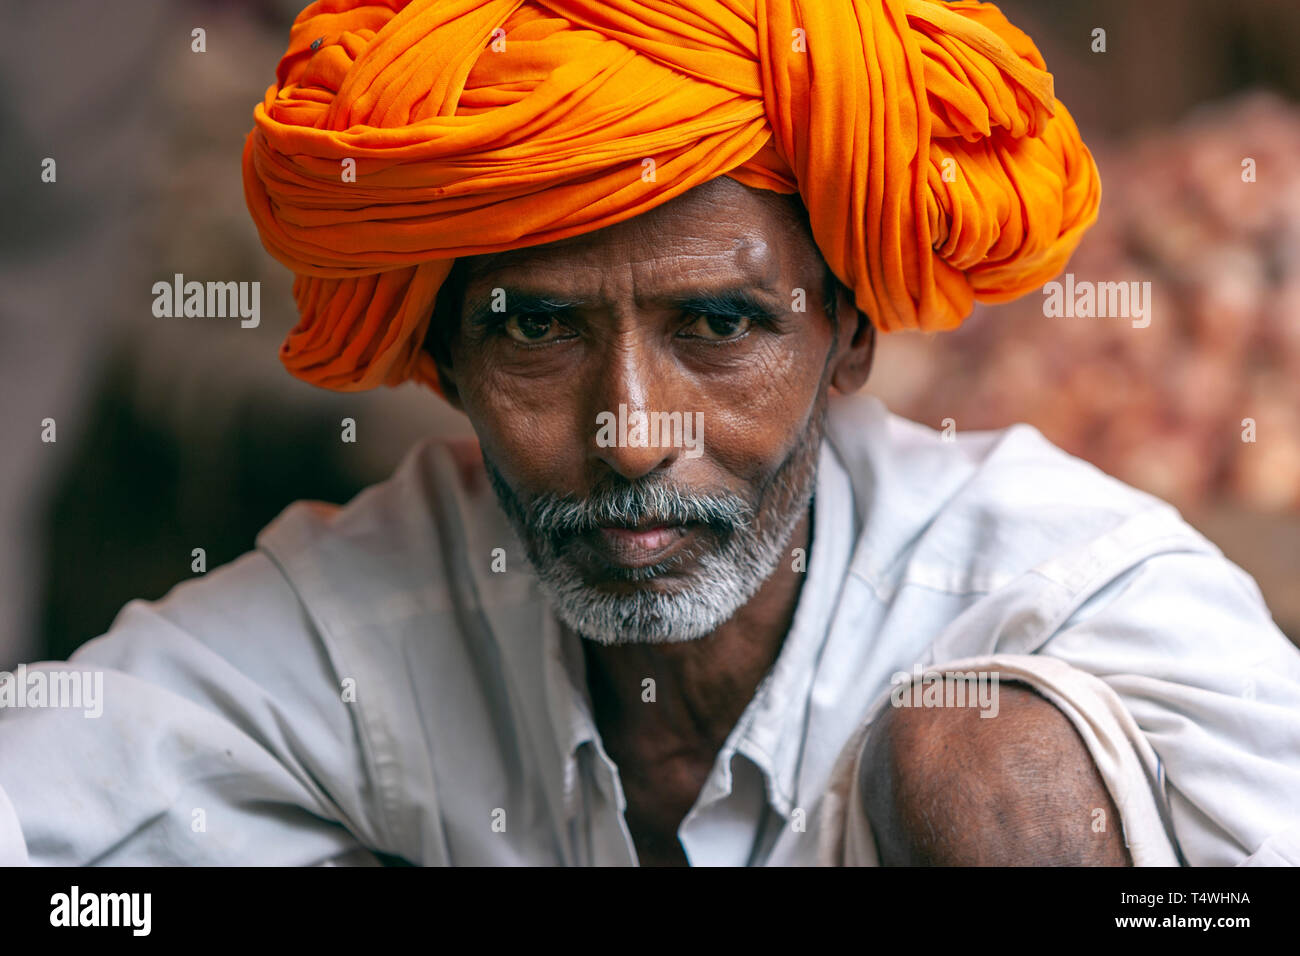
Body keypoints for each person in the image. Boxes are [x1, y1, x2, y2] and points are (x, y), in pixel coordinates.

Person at [2, 0, 1298, 867]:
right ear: (445, 363)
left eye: (720, 325)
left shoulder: (1062, 586)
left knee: (979, 764)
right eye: (538, 333)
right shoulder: (376, 612)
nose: (630, 434)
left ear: (848, 341)